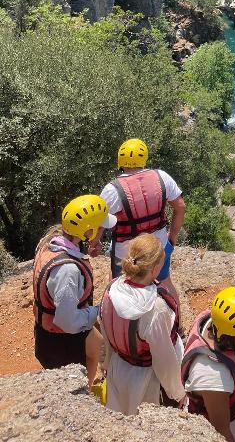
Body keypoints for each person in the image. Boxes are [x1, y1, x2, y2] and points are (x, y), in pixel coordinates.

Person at [33, 194, 117, 389]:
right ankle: (84, 393)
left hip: (47, 333)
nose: (103, 231)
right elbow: (67, 322)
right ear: (88, 231)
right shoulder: (68, 271)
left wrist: (88, 246)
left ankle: (89, 386)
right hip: (61, 342)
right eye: (100, 228)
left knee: (98, 344)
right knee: (73, 387)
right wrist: (99, 310)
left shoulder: (52, 241)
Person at [99, 232, 185, 415]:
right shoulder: (156, 308)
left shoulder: (111, 289)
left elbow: (105, 330)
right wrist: (178, 393)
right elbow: (164, 359)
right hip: (146, 380)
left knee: (117, 420)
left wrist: (107, 363)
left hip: (117, 368)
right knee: (142, 424)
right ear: (154, 269)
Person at [100, 138, 186, 301]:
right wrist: (172, 238)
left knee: (117, 286)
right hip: (158, 247)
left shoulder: (112, 190)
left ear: (120, 160)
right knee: (165, 283)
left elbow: (100, 223)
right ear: (144, 158)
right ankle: (176, 317)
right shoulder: (162, 177)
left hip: (127, 254)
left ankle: (116, 314)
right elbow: (180, 206)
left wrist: (94, 243)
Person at [182, 286, 235, 442]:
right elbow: (221, 432)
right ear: (225, 335)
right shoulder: (213, 374)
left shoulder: (213, 321)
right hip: (222, 427)